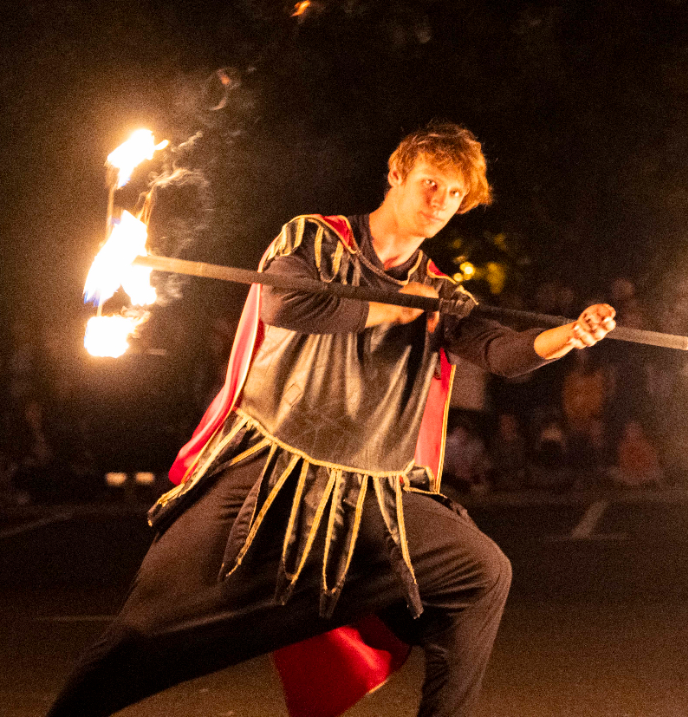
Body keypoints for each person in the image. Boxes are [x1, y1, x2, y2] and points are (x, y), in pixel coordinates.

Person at [47, 122, 616, 717]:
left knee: (482, 573)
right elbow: (287, 302)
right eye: (430, 183)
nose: (440, 203)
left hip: (368, 496)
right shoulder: (315, 239)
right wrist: (396, 310)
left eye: (454, 194)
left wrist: (568, 336)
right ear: (396, 174)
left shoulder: (437, 291)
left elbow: (499, 350)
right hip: (264, 476)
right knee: (143, 629)